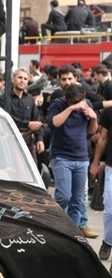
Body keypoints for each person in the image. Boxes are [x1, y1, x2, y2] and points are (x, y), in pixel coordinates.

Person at [47, 84, 97, 227]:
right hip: (62, 156)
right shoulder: (58, 104)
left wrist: (93, 118)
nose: (79, 105)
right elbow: (53, 123)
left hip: (81, 157)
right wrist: (70, 109)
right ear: (66, 98)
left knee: (77, 200)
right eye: (73, 102)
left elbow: (91, 131)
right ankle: (56, 225)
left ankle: (73, 233)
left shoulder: (87, 104)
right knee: (63, 196)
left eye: (80, 101)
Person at [0, 68, 44, 163]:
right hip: (9, 139)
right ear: (13, 79)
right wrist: (28, 124)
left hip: (27, 139)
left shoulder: (29, 98)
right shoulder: (3, 98)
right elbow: (6, 118)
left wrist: (40, 139)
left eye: (25, 79)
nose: (22, 80)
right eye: (20, 77)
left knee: (32, 168)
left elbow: (36, 119)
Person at [90, 110, 112, 262]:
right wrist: (96, 162)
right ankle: (108, 241)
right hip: (111, 166)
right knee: (109, 210)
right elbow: (103, 138)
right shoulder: (110, 112)